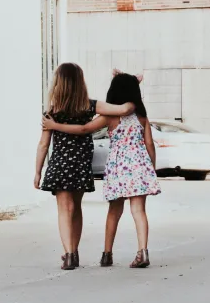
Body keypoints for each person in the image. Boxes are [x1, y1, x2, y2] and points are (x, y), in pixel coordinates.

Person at [43, 71, 161, 268]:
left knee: (114, 211)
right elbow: (150, 144)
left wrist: (55, 125)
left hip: (118, 167)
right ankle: (143, 251)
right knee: (139, 210)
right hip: (140, 166)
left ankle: (107, 254)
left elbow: (84, 129)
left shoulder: (108, 118)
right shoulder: (142, 117)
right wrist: (152, 168)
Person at [34, 63, 135, 271]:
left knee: (64, 209)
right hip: (80, 164)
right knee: (76, 208)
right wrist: (133, 86)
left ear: (58, 83)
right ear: (81, 82)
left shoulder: (52, 112)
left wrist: (37, 171)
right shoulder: (89, 106)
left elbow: (44, 144)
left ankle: (69, 254)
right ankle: (75, 252)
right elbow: (124, 109)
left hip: (60, 164)